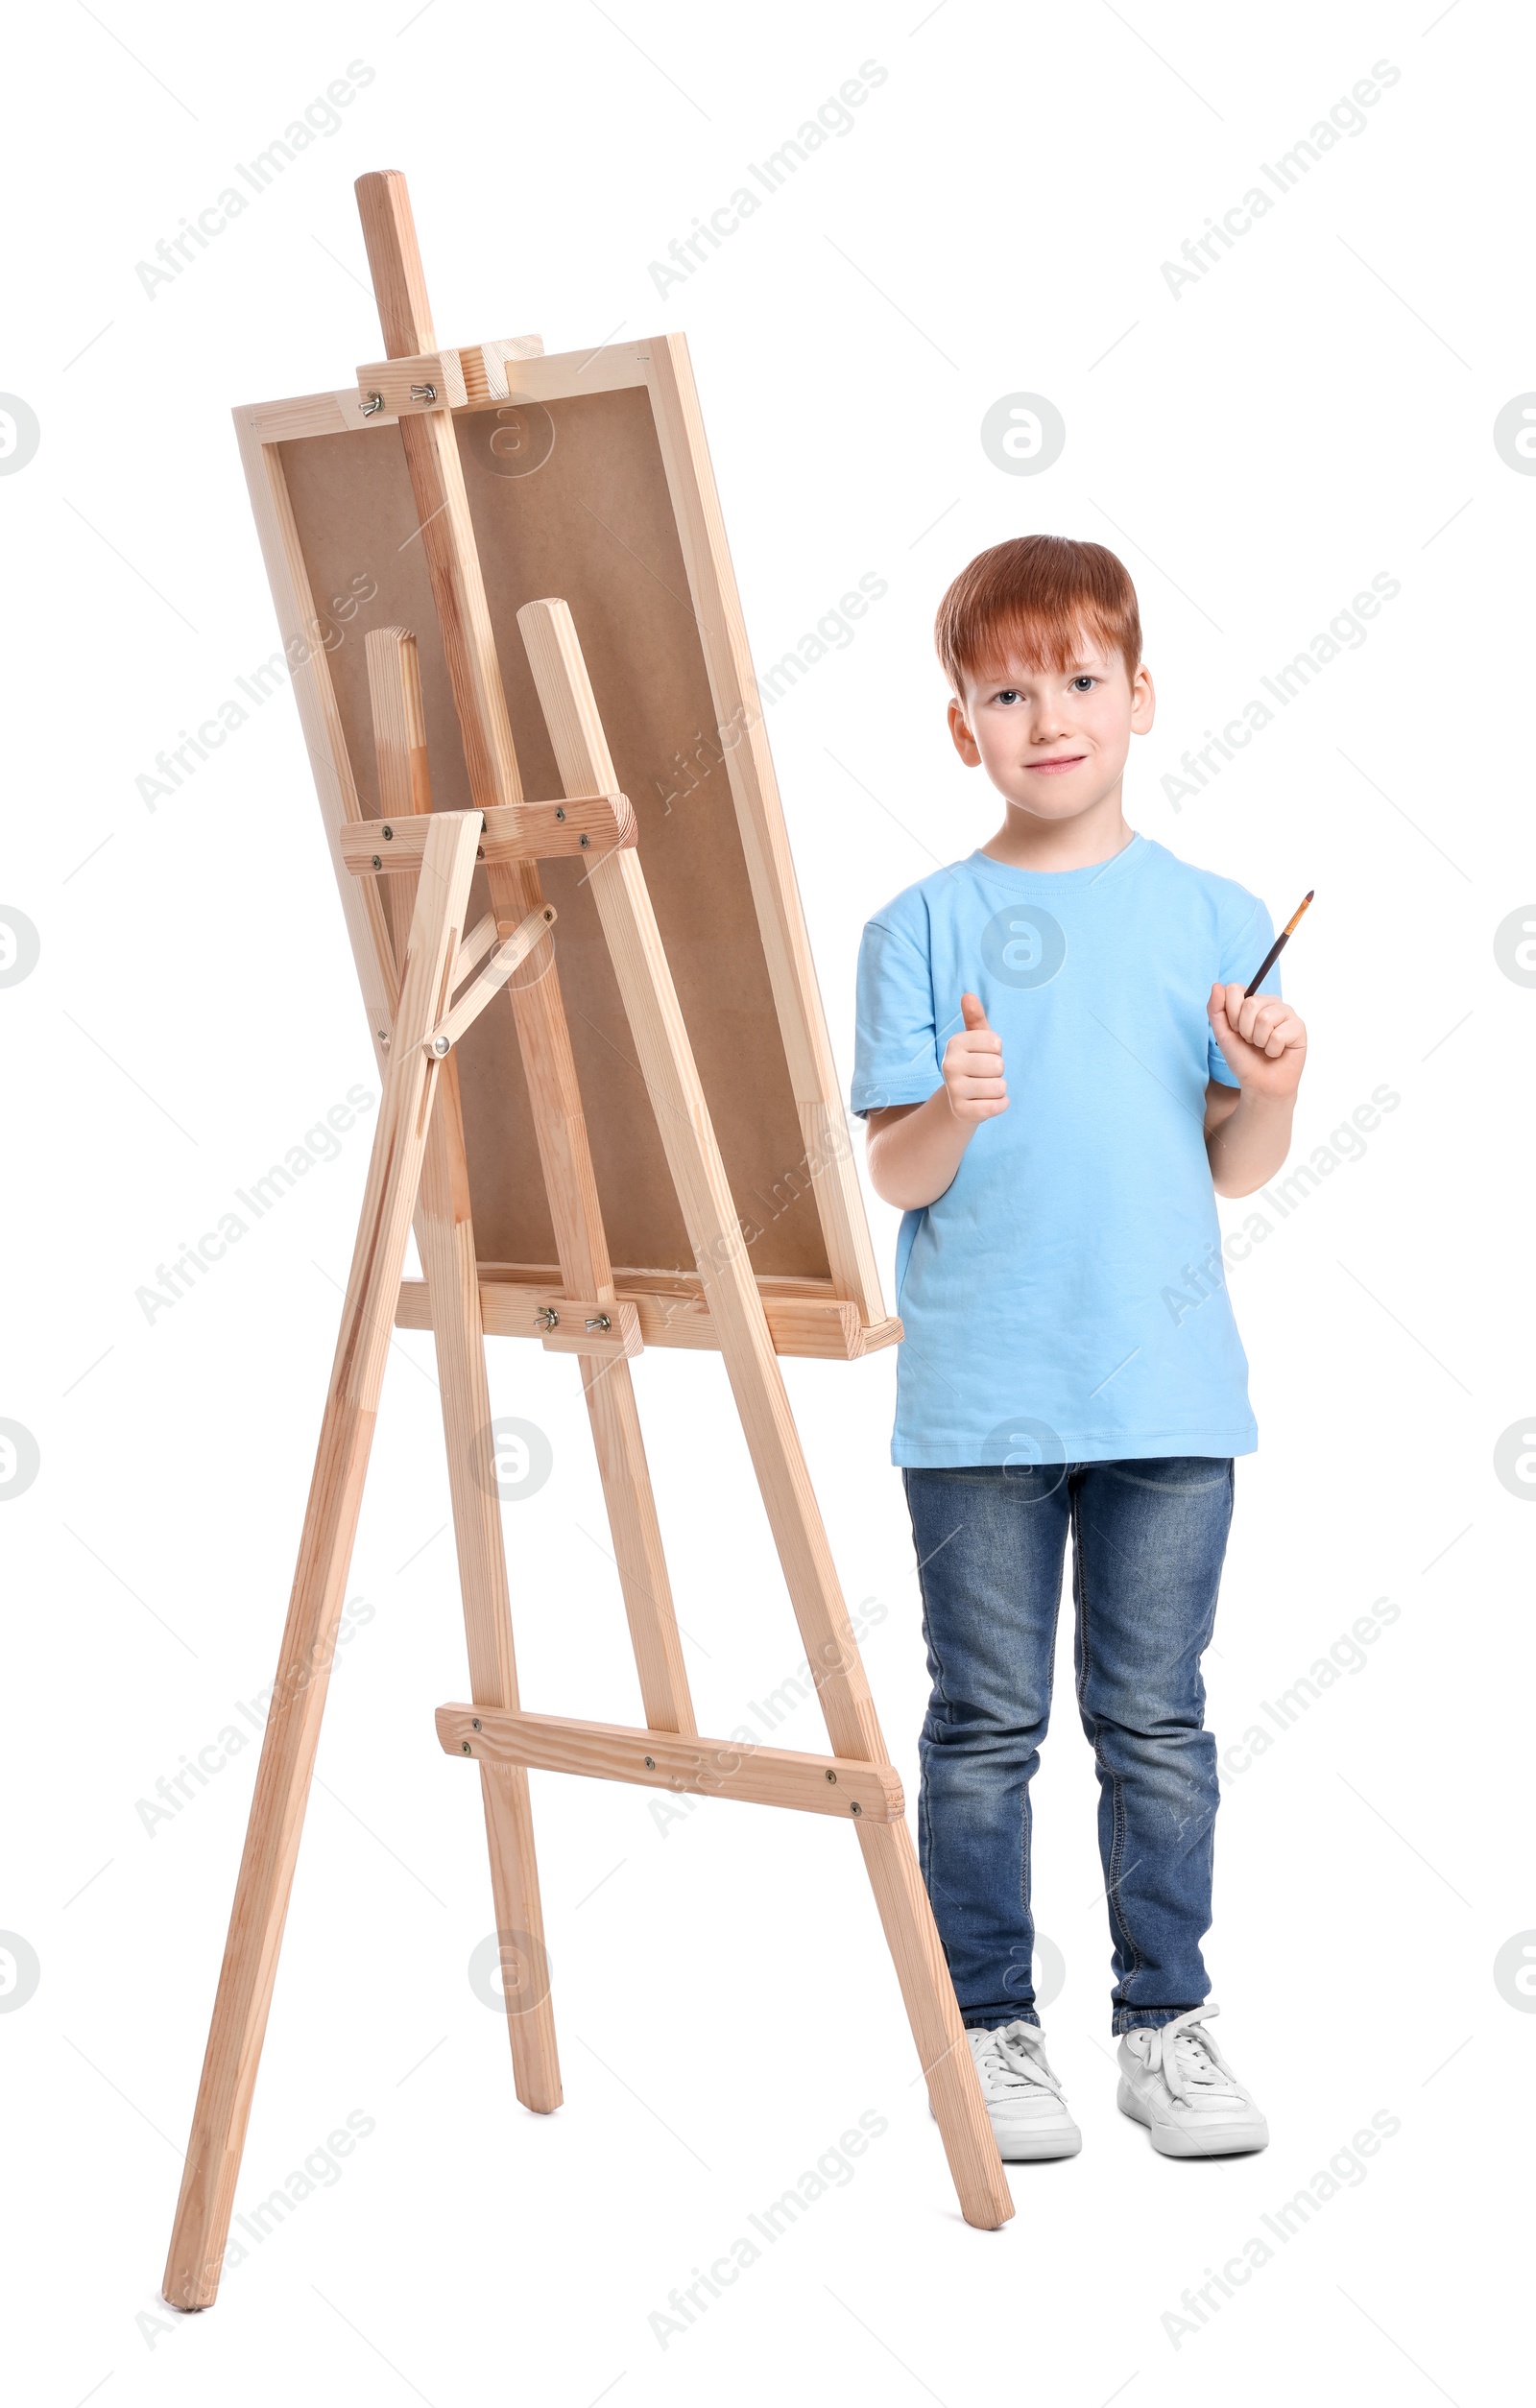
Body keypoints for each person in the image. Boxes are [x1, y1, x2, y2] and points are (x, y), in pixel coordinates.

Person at [852, 535, 1307, 2161]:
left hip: (1170, 1395)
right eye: (1006, 689)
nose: (1050, 716)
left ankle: (1162, 2022)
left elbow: (1233, 1165)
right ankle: (988, 2030)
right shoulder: (917, 925)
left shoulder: (1217, 916)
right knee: (982, 1725)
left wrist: (1274, 1077)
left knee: (1155, 1717)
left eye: (1083, 680)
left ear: (1142, 696)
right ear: (957, 722)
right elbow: (893, 1172)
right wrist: (946, 1114)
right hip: (977, 1397)